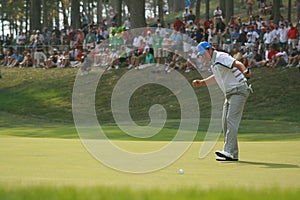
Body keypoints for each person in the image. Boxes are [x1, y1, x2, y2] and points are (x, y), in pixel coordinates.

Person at [192, 41, 252, 161]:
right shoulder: (214, 63)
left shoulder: (220, 56)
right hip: (229, 94)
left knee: (231, 120)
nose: (203, 57)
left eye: (203, 54)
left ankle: (228, 151)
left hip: (239, 90)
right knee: (225, 122)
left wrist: (245, 71)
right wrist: (202, 82)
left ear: (210, 50)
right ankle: (232, 154)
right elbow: (216, 77)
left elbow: (237, 63)